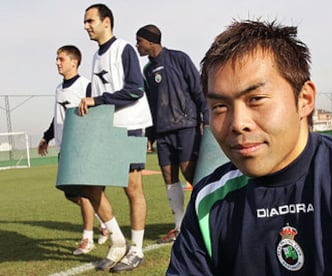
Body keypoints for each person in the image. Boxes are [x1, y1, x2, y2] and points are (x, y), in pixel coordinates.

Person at [167, 19, 332, 275]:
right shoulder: (209, 199)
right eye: (220, 107)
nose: (238, 124)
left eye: (256, 99)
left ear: (304, 99)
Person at [78, 4, 152, 272]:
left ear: (106, 21)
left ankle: (137, 249)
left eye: (90, 21)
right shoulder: (96, 56)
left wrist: (97, 100)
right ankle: (118, 241)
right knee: (90, 186)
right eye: (85, 22)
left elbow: (135, 90)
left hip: (129, 127)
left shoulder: (124, 49)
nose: (86, 26)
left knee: (132, 189)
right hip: (106, 130)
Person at [135, 24, 209, 243]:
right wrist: (150, 134)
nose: (137, 45)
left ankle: (207, 217)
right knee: (169, 176)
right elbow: (150, 102)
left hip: (186, 126)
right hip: (162, 132)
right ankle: (179, 227)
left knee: (190, 172)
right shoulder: (147, 70)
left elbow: (197, 89)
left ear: (150, 41)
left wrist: (207, 117)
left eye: (139, 41)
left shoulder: (179, 59)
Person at [38, 45, 109, 256]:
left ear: (74, 62)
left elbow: (97, 114)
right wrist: (47, 137)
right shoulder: (59, 89)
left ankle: (87, 238)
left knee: (85, 194)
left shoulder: (86, 86)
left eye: (61, 59)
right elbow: (57, 116)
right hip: (64, 148)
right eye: (56, 59)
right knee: (71, 195)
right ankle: (103, 223)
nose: (57, 63)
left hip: (80, 148)